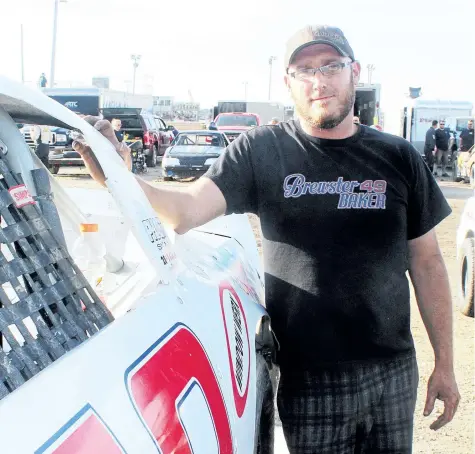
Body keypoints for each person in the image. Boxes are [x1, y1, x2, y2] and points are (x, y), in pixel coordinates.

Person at [73, 24, 460, 454]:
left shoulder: (398, 156)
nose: (318, 81)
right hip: (310, 377)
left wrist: (445, 362)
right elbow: (184, 212)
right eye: (304, 70)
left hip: (392, 371)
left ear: (355, 71)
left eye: (330, 66)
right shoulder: (261, 152)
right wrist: (119, 178)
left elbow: (427, 263)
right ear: (287, 82)